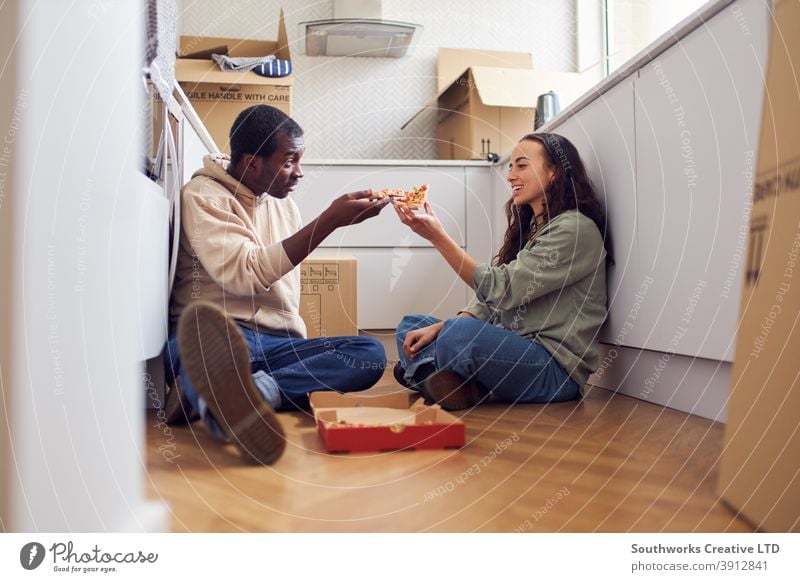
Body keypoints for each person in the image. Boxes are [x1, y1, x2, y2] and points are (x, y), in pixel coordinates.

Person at [164, 105, 390, 465]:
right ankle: (223, 399)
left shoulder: (285, 208)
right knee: (198, 352)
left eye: (300, 160)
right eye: (289, 161)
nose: (299, 173)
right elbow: (245, 273)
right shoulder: (203, 196)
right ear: (253, 162)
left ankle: (242, 396)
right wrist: (329, 221)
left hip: (277, 345)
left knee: (369, 354)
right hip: (218, 332)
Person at [393, 132, 611, 411]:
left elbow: (504, 289)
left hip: (552, 371)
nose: (510, 176)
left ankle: (422, 375)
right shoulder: (537, 229)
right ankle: (449, 382)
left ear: (554, 172)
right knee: (412, 326)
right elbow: (493, 302)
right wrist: (443, 325)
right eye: (510, 167)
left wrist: (438, 237)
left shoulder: (573, 229)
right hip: (515, 349)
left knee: (459, 335)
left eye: (521, 165)